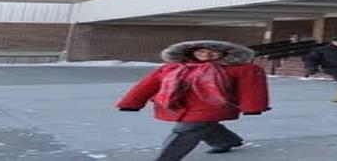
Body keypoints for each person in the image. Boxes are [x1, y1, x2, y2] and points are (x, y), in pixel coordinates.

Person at [116, 40, 270, 160]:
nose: (207, 55)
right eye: (201, 51)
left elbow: (252, 89)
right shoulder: (172, 68)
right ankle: (225, 141)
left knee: (186, 131)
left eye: (213, 52)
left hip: (215, 105)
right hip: (178, 105)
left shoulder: (243, 69)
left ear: (224, 53)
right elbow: (147, 85)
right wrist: (131, 103)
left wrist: (253, 107)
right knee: (202, 126)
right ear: (191, 53)